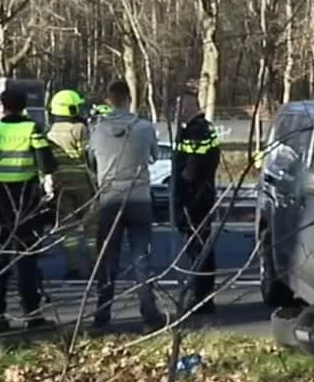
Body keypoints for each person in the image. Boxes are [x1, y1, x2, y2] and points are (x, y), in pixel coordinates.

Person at [0, 87, 57, 332]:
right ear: (23, 106)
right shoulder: (32, 129)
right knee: (27, 260)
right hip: (26, 201)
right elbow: (47, 164)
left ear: (2, 106)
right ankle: (31, 314)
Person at [86, 80, 165, 330]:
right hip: (139, 198)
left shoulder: (97, 130)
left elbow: (91, 162)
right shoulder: (144, 127)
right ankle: (150, 315)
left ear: (109, 101)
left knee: (108, 259)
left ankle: (102, 314)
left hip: (109, 199)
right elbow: (154, 156)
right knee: (142, 258)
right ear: (129, 99)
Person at [170, 111, 224, 318]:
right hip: (204, 196)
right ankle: (203, 296)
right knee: (202, 248)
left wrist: (180, 197)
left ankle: (199, 298)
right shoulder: (205, 130)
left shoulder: (195, 133)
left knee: (197, 249)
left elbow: (191, 170)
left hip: (194, 199)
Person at [45, 88, 96, 278]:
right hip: (82, 181)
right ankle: (95, 262)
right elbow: (89, 155)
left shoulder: (50, 131)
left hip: (61, 184)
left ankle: (73, 265)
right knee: (91, 224)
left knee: (68, 227)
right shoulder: (79, 129)